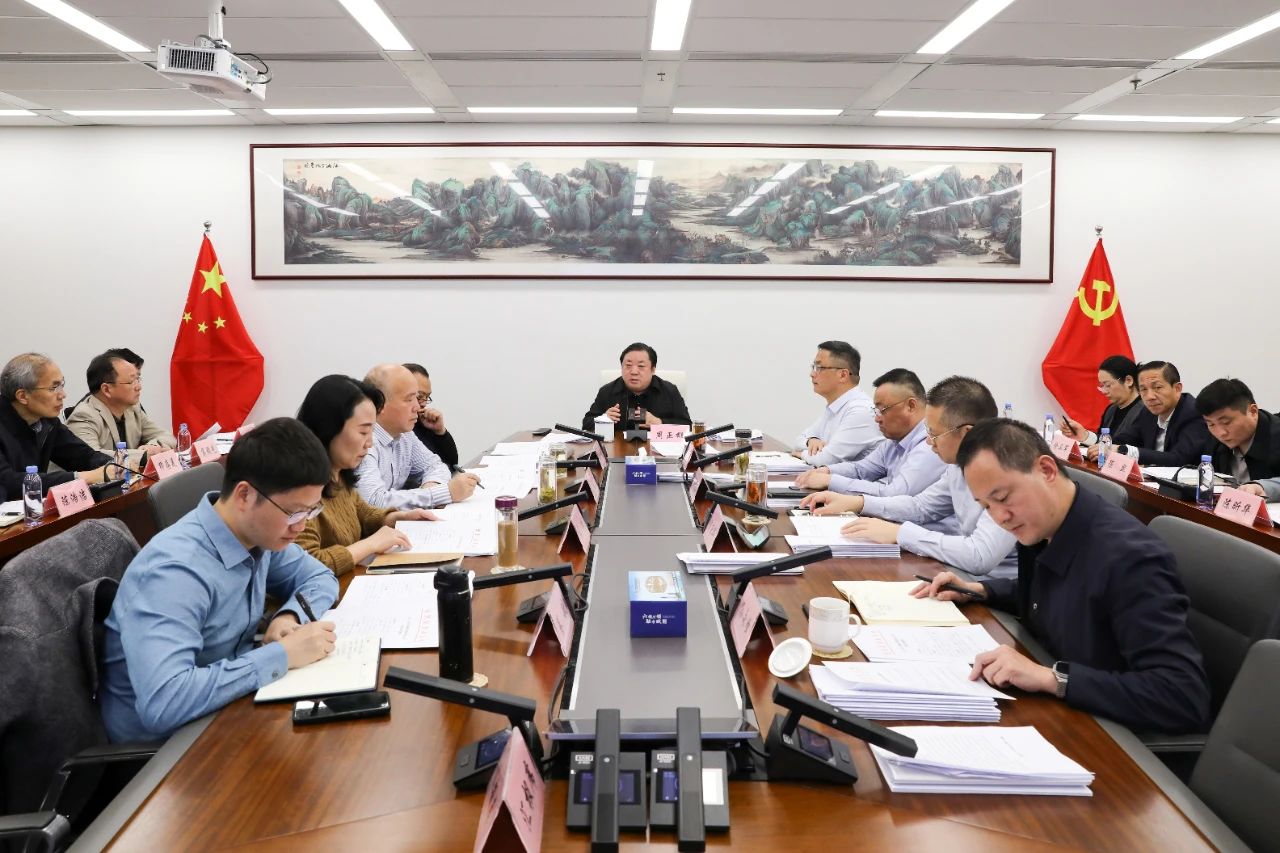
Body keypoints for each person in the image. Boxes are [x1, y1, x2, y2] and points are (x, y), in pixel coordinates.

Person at [914, 419, 1210, 735]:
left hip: (1108, 734)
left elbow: (1182, 696)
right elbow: (1056, 592)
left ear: (1046, 470)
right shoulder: (1045, 524)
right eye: (986, 506)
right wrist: (980, 590)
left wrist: (1053, 678)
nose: (999, 517)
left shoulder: (1129, 558)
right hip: (1057, 707)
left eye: (1002, 498)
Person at [99, 418, 341, 743]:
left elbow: (320, 578)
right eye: (294, 512)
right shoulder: (175, 571)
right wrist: (281, 655)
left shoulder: (258, 534)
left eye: (310, 512)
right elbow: (165, 703)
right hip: (168, 748)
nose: (301, 526)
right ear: (244, 495)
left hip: (225, 707)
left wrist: (289, 617)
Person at [799, 375, 1017, 578]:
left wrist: (900, 533)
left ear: (966, 433)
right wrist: (859, 503)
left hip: (992, 590)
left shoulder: (1008, 471)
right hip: (959, 574)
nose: (929, 441)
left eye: (934, 434)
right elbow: (921, 507)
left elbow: (979, 556)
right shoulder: (959, 465)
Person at [295, 375, 438, 575]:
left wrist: (399, 517)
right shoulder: (296, 489)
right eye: (363, 432)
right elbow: (306, 565)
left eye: (372, 431)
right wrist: (370, 544)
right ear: (329, 428)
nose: (370, 443)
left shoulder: (338, 473)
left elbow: (362, 513)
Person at [794, 368, 945, 498]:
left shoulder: (930, 444)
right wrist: (827, 471)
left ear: (911, 406)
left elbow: (895, 494)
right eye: (875, 410)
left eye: (882, 410)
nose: (877, 418)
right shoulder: (894, 441)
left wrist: (830, 480)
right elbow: (861, 469)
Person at [355, 363, 478, 509]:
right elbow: (373, 502)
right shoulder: (364, 442)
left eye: (417, 398)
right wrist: (443, 493)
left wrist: (431, 488)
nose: (418, 407)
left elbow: (435, 465)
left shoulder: (405, 435)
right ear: (379, 403)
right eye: (409, 399)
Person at [0, 352, 113, 497]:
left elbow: (81, 455)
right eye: (53, 388)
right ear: (22, 396)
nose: (62, 395)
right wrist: (82, 477)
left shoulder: (46, 421)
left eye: (61, 385)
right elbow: (7, 483)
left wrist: (114, 465)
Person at [66, 349, 176, 466]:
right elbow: (90, 456)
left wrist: (152, 447)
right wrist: (143, 456)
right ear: (106, 389)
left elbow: (166, 436)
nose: (138, 387)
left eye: (137, 379)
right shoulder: (83, 416)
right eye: (131, 381)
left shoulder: (132, 409)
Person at [793, 341, 881, 467]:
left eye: (819, 368)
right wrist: (811, 440)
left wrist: (801, 454)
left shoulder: (861, 411)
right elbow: (799, 440)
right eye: (813, 367)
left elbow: (825, 460)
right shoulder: (835, 407)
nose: (812, 374)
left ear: (843, 375)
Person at [1112, 361, 1210, 467]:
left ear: (1177, 389)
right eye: (1143, 389)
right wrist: (1100, 441)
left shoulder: (1194, 413)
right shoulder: (1147, 412)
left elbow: (1179, 459)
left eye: (1157, 387)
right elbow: (1123, 440)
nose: (1150, 397)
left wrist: (1125, 450)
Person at [1196, 378, 1280, 499]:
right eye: (1211, 424)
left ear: (1252, 411)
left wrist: (1263, 487)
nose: (1221, 433)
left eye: (1226, 422)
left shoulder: (1276, 435)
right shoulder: (1214, 439)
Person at [582, 342, 691, 432]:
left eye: (641, 366)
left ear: (653, 370)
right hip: (617, 450)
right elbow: (586, 424)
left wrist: (660, 423)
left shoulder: (669, 391)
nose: (634, 372)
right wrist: (603, 419)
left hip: (657, 451)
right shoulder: (607, 391)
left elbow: (688, 426)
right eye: (628, 365)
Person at [1060, 354, 1144, 460]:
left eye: (1108, 385)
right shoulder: (1111, 410)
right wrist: (1083, 435)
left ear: (1128, 380)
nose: (1104, 391)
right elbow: (1104, 440)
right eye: (1102, 386)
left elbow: (1125, 445)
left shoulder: (1145, 411)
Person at [404, 362, 459, 468]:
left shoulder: (420, 421)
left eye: (427, 397)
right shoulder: (391, 429)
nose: (424, 403)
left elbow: (452, 463)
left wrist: (440, 432)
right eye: (419, 396)